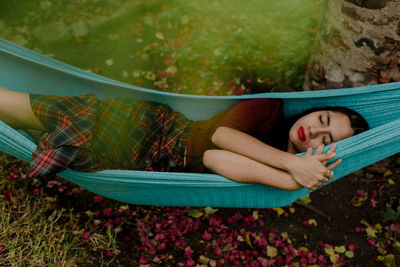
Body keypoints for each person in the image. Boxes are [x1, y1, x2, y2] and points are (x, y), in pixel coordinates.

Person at [0, 87, 369, 191]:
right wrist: (291, 165)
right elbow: (221, 140)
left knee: (56, 134)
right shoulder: (269, 106)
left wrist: (291, 181)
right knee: (20, 110)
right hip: (149, 127)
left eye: (324, 140)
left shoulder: (288, 170)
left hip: (143, 162)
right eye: (322, 118)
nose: (314, 131)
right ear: (317, 108)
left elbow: (215, 162)